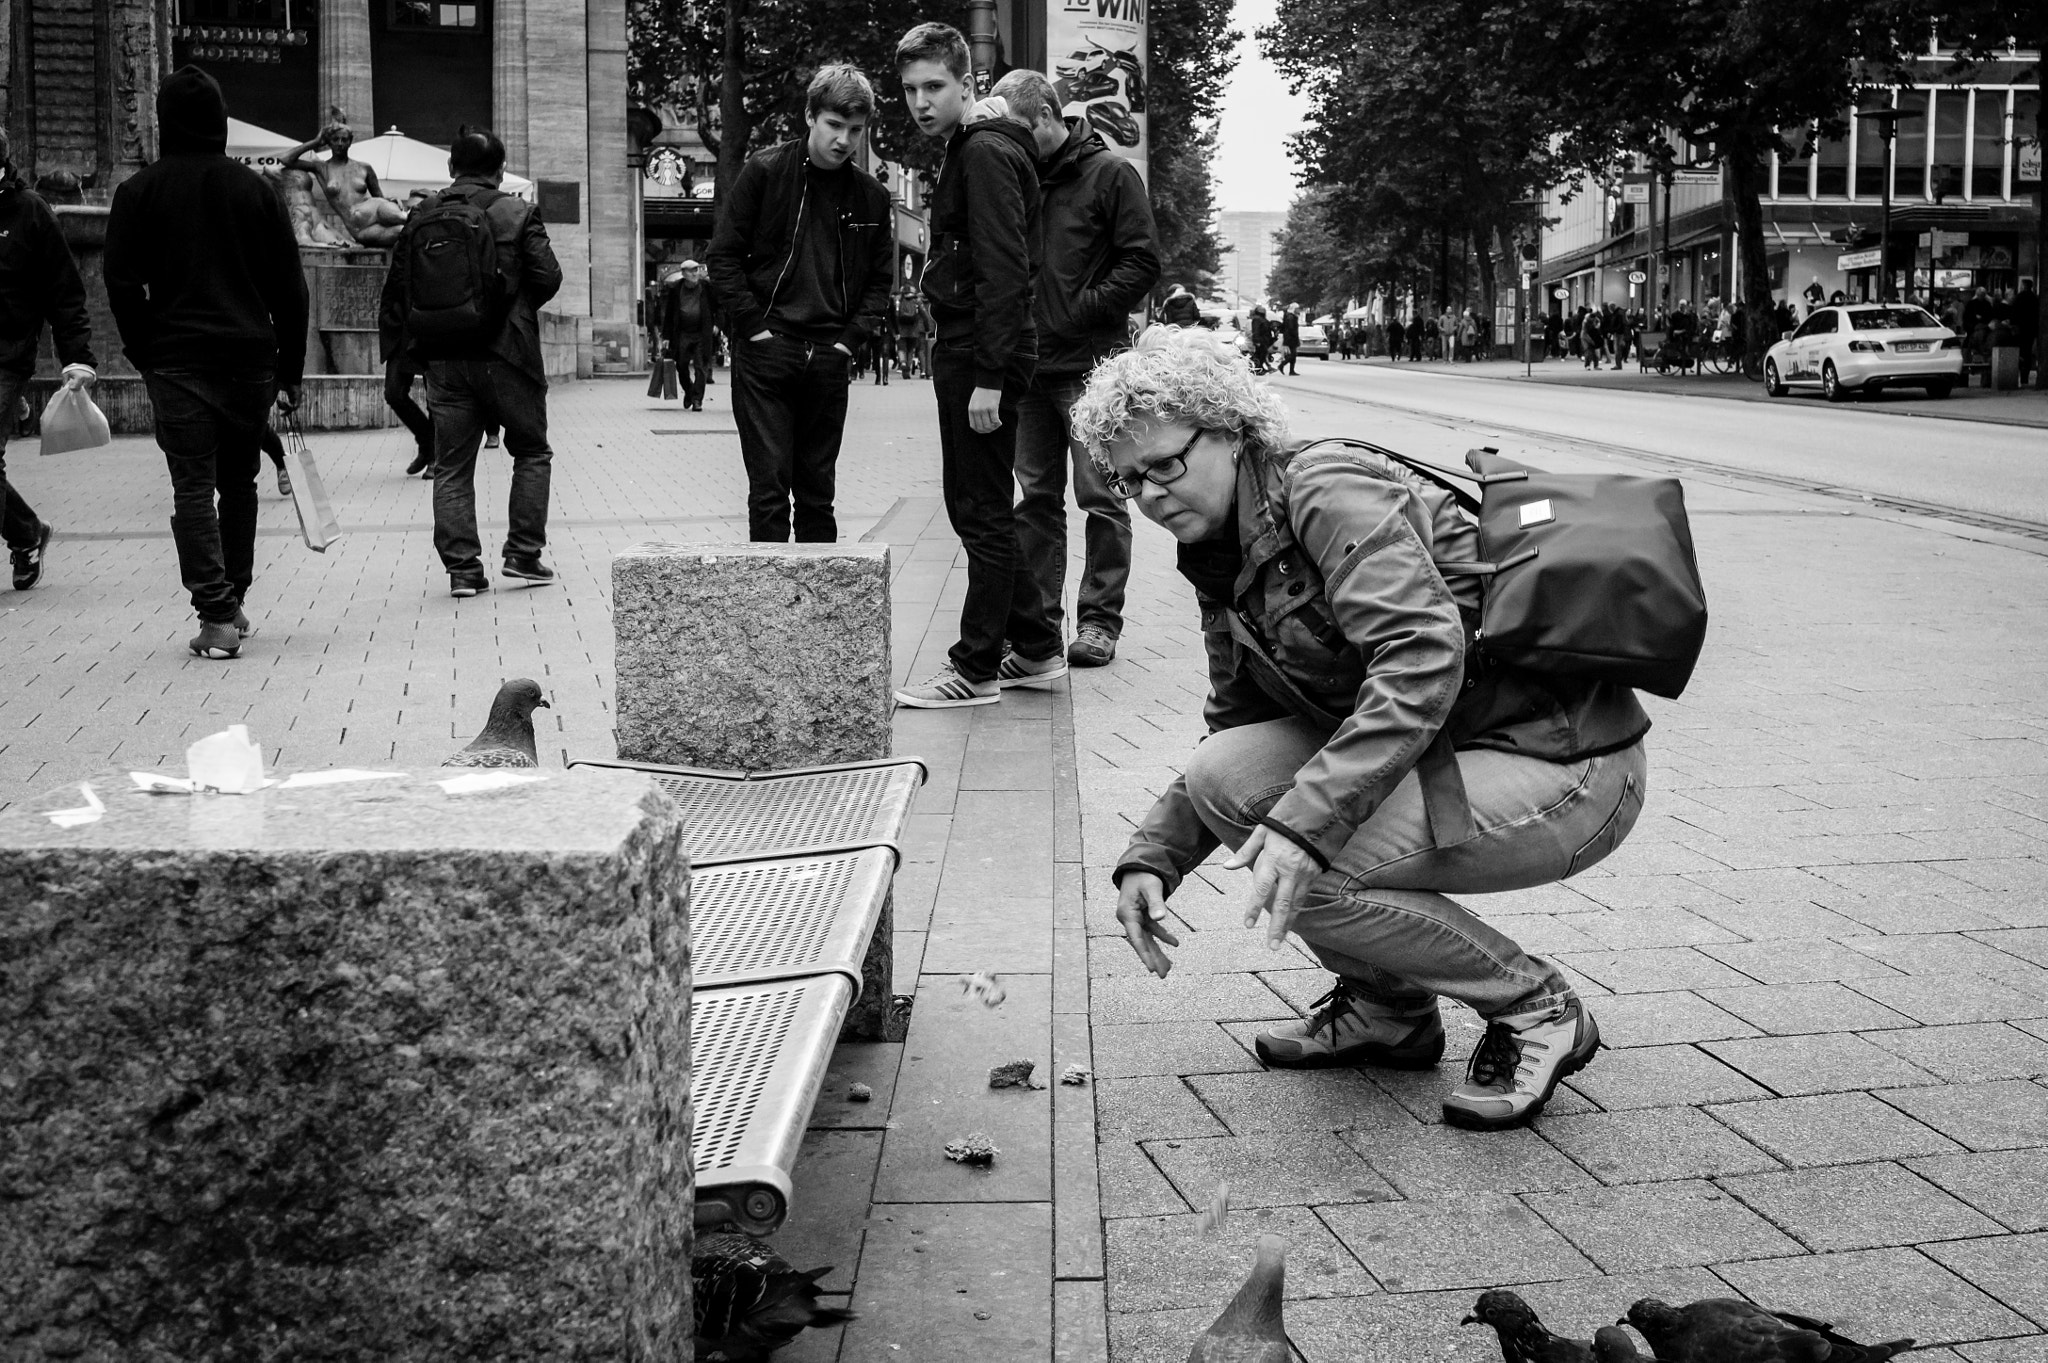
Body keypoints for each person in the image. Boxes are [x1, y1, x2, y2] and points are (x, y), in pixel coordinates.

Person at [1070, 325, 1649, 1129]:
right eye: (1130, 479)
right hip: (1454, 747)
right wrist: (1155, 856)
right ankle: (1390, 1010)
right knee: (1233, 785)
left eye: (1166, 462)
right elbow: (1240, 730)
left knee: (1305, 853)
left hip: (1566, 762)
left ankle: (1536, 1004)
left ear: (1232, 428)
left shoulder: (1325, 487)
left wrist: (1305, 828)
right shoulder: (1220, 549)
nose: (1153, 493)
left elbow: (1420, 655)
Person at [105, 66, 308, 658]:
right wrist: (288, 372)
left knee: (192, 488)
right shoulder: (255, 191)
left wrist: (145, 350)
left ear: (165, 121)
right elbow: (290, 290)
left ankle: (216, 613)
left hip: (175, 361)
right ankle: (233, 598)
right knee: (238, 482)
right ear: (220, 121)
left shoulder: (139, 192)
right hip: (248, 359)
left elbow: (120, 283)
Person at [890, 23, 1064, 708]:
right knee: (976, 507)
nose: (921, 101)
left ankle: (977, 668)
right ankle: (1039, 648)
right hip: (971, 348)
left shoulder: (985, 151)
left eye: (935, 86)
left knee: (983, 512)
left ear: (968, 85)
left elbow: (1004, 269)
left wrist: (990, 373)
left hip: (978, 354)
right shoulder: (976, 145)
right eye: (910, 89)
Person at [997, 69, 1159, 673]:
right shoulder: (1016, 174)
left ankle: (1098, 621)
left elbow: (1142, 260)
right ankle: (1040, 629)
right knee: (1034, 499)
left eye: (1018, 131)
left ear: (1046, 116)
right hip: (1028, 366)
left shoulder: (1111, 173)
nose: (1011, 143)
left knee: (1102, 498)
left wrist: (1083, 309)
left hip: (1092, 366)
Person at [706, 66, 893, 542]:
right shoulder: (765, 172)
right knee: (768, 488)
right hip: (769, 350)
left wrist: (850, 343)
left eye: (855, 130)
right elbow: (723, 257)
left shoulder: (871, 197)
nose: (844, 139)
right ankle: (768, 610)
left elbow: (879, 280)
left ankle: (819, 610)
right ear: (810, 116)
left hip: (830, 356)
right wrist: (752, 327)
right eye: (834, 124)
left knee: (818, 493)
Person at [380, 125, 563, 598]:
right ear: (500, 171)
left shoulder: (422, 214)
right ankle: (523, 554)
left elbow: (399, 287)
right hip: (507, 354)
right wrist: (510, 308)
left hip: (443, 356)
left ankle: (463, 570)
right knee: (531, 451)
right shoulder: (517, 212)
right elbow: (548, 276)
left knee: (453, 465)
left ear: (450, 168)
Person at [0, 129, 96, 591]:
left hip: (7, 355)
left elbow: (64, 291)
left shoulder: (30, 213)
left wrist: (77, 358)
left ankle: (24, 537)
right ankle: (26, 532)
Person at [281, 111, 407, 248]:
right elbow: (286, 159)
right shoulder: (321, 167)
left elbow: (379, 197)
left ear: (350, 141)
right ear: (329, 142)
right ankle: (414, 218)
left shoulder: (364, 168)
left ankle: (412, 217)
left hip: (375, 209)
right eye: (335, 140)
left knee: (395, 216)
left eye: (344, 139)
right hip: (359, 229)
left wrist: (391, 200)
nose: (340, 144)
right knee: (401, 231)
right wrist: (315, 142)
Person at [659, 259, 719, 412]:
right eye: (691, 271)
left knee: (701, 367)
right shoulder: (675, 289)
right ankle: (689, 391)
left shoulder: (707, 288)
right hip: (682, 333)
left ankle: (697, 399)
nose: (695, 273)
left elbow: (718, 307)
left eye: (696, 270)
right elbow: (669, 314)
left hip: (701, 333)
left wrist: (717, 324)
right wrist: (665, 336)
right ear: (684, 273)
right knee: (681, 365)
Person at [2013, 278, 2039, 389]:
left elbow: (2014, 312)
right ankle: (2025, 377)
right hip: (2031, 329)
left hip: (2020, 329)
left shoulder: (2019, 298)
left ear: (2023, 286)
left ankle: (2018, 374)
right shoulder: (2034, 298)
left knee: (2019, 352)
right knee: (2027, 352)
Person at [1248, 304, 1274, 372]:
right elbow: (1256, 330)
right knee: (1259, 354)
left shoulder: (1262, 319)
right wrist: (1257, 340)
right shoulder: (1257, 319)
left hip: (1264, 339)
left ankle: (1259, 367)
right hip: (1260, 340)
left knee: (1262, 354)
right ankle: (1256, 368)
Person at [1279, 306, 1300, 375]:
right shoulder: (1291, 317)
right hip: (1291, 338)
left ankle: (1291, 370)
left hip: (1291, 338)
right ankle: (1282, 365)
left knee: (1293, 355)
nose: (1298, 310)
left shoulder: (1291, 316)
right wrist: (1295, 335)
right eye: (1297, 309)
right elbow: (1291, 328)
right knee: (1292, 354)